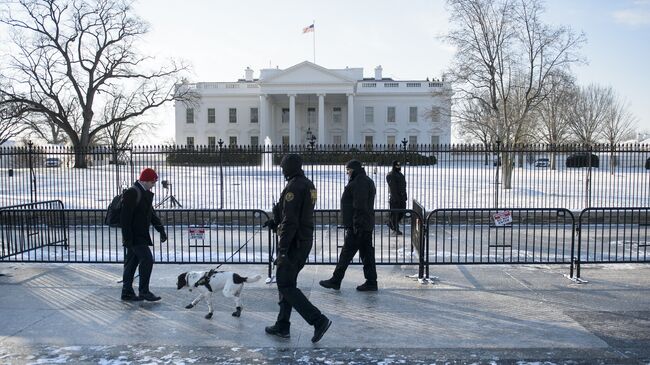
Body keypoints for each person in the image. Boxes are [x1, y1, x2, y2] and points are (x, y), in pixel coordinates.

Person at [263, 154, 332, 343]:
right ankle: (282, 325)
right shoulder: (308, 184)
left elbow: (291, 220)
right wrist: (275, 221)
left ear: (291, 167)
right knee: (287, 284)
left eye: (284, 167)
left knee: (285, 284)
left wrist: (283, 249)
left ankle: (318, 320)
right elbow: (296, 213)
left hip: (294, 243)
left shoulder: (293, 186)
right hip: (304, 240)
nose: (282, 170)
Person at [319, 159, 378, 292]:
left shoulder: (359, 182)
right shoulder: (364, 180)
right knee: (367, 254)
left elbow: (360, 206)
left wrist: (356, 225)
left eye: (349, 170)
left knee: (346, 254)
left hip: (358, 226)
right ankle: (371, 282)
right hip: (364, 224)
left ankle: (336, 280)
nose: (347, 173)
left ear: (354, 170)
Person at [120, 168, 168, 302]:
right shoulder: (132, 192)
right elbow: (125, 218)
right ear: (146, 180)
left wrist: (161, 229)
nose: (154, 185)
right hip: (134, 236)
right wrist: (127, 238)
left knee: (131, 264)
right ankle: (144, 291)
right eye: (153, 182)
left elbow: (151, 214)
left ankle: (127, 292)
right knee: (147, 260)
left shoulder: (143, 192)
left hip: (140, 234)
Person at [386, 160, 407, 235]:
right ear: (393, 166)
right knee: (395, 214)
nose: (398, 167)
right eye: (397, 166)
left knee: (402, 212)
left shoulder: (400, 174)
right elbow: (393, 188)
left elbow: (404, 186)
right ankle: (395, 228)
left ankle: (391, 223)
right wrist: (396, 198)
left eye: (399, 166)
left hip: (402, 197)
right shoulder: (390, 175)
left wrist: (405, 196)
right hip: (395, 198)